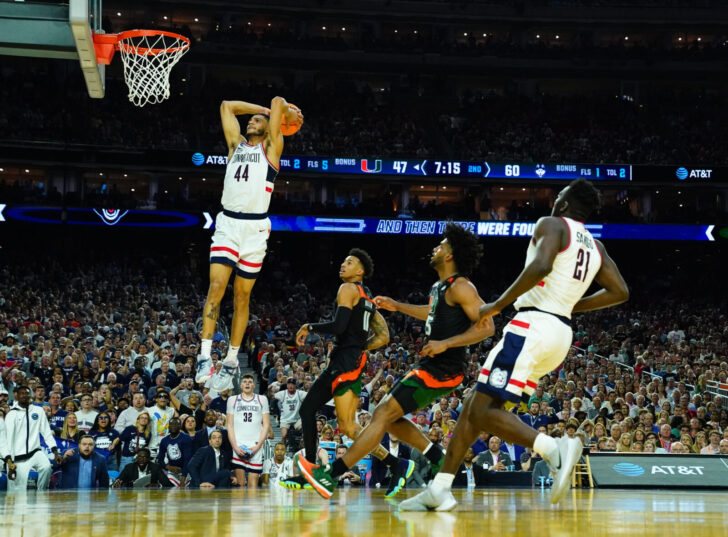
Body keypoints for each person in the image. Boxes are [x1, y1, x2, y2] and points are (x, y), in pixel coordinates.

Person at [402, 178, 629, 511]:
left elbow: (540, 265)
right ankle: (440, 488)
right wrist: (569, 305)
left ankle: (554, 448)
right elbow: (620, 291)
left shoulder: (552, 223)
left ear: (564, 203)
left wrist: (497, 305)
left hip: (532, 326)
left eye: (559, 195)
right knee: (472, 410)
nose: (554, 199)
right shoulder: (596, 247)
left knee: (480, 410)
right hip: (560, 333)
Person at [298, 224, 493, 499]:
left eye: (442, 245)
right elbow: (433, 313)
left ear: (450, 255)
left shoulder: (462, 285)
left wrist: (445, 343)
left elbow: (487, 327)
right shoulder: (440, 287)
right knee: (388, 418)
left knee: (381, 414)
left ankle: (330, 475)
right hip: (430, 367)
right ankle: (438, 458)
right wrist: (398, 305)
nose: (435, 247)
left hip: (443, 370)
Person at [196, 96, 304, 392]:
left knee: (242, 297)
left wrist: (276, 113)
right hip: (228, 225)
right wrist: (265, 111)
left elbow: (279, 100)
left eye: (257, 120)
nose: (251, 120)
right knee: (216, 288)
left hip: (255, 229)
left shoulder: (272, 148)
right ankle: (205, 356)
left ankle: (231, 360)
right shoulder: (236, 145)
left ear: (271, 127)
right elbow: (226, 106)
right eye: (251, 119)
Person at [285, 249, 406, 498]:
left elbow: (339, 327)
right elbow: (383, 336)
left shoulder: (348, 289)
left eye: (349, 262)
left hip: (343, 361)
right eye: (342, 261)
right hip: (355, 362)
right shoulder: (369, 299)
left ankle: (311, 471)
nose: (342, 265)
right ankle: (396, 463)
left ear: (359, 272)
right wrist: (358, 347)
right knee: (349, 427)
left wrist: (309, 326)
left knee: (308, 409)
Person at [3, 385, 62, 491]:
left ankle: (41, 492)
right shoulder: (11, 414)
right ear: (16, 396)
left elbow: (47, 433)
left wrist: (55, 452)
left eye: (26, 393)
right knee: (16, 492)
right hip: (17, 457)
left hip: (35, 452)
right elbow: (8, 440)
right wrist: (9, 461)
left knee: (46, 467)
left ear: (30, 395)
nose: (24, 395)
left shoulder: (38, 411)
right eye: (22, 393)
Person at [226, 374, 271, 488]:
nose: (247, 383)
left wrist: (258, 446)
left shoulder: (262, 399)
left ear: (254, 385)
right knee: (240, 485)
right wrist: (235, 446)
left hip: (256, 444)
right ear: (241, 385)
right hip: (238, 444)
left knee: (253, 485)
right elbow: (229, 425)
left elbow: (266, 425)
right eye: (245, 381)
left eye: (250, 382)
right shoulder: (232, 400)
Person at [273, 378, 305, 445]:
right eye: (289, 384)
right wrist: (270, 390)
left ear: (295, 385)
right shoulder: (283, 393)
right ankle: (284, 447)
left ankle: (302, 446)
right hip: (285, 419)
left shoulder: (299, 393)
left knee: (304, 431)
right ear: (287, 385)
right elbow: (272, 396)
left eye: (292, 384)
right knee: (284, 435)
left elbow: (310, 395)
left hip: (297, 419)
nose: (291, 386)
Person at [148, 391, 176, 456]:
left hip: (166, 446)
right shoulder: (149, 410)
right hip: (152, 446)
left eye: (165, 397)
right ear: (156, 399)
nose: (163, 398)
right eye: (160, 396)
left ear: (168, 400)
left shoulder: (171, 410)